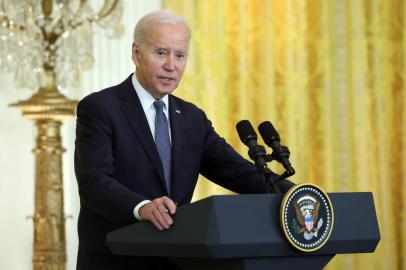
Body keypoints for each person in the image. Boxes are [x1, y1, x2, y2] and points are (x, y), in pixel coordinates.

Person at [74, 10, 293, 270]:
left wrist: (297, 195)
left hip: (176, 259)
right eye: (160, 53)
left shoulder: (191, 118)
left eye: (179, 56)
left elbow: (239, 172)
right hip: (115, 259)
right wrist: (142, 207)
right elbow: (94, 183)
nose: (171, 65)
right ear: (136, 54)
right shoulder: (100, 108)